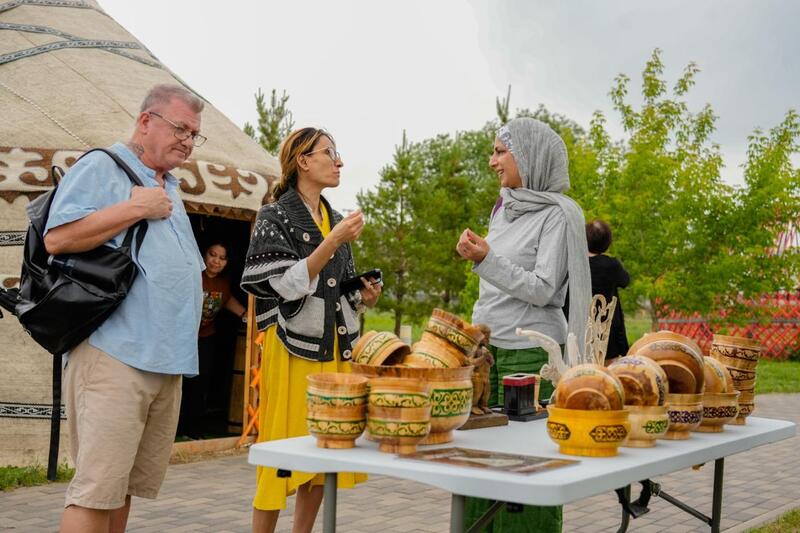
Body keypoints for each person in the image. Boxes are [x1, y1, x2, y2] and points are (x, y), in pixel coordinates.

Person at [44, 84, 206, 533]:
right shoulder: (104, 166)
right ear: (146, 121)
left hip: (163, 361)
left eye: (195, 134)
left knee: (122, 493)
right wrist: (134, 209)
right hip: (116, 356)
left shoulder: (169, 186)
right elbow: (57, 238)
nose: (188, 140)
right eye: (180, 128)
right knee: (94, 494)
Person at [240, 127, 381, 533]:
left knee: (323, 454)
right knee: (279, 457)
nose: (339, 162)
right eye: (329, 153)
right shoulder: (275, 215)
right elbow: (278, 284)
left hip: (334, 352)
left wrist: (363, 295)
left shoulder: (334, 219)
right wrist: (331, 242)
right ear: (303, 161)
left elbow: (339, 289)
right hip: (293, 350)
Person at [456, 117, 591, 533]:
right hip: (488, 355)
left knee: (527, 473)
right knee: (478, 463)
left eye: (501, 151)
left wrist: (485, 260)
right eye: (493, 151)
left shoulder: (558, 214)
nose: (492, 160)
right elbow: (499, 283)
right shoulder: (505, 207)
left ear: (529, 157)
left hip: (532, 356)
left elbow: (545, 288)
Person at [178, 241, 247, 439]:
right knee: (180, 383)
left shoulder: (223, 282)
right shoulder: (193, 275)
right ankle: (176, 428)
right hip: (183, 337)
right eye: (212, 255)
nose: (216, 261)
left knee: (200, 384)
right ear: (204, 255)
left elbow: (227, 300)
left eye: (222, 258)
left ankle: (192, 429)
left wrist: (245, 314)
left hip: (205, 338)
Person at [586, 219, 630, 360]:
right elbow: (625, 281)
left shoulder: (577, 264)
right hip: (608, 330)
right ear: (607, 243)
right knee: (609, 368)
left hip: (582, 327)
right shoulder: (612, 265)